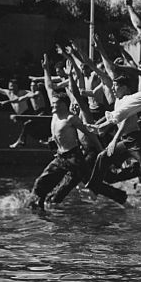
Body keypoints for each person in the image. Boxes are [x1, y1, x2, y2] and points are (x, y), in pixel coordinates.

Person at [27, 55, 96, 210]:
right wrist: (45, 70)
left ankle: (120, 198)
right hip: (61, 156)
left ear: (64, 105)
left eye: (55, 104)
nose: (52, 105)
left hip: (75, 158)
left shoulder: (71, 117)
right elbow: (49, 87)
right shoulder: (55, 110)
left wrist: (102, 150)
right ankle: (37, 206)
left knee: (87, 185)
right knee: (41, 183)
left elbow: (89, 133)